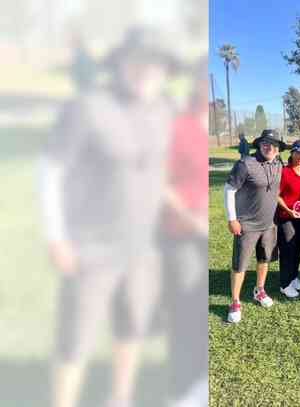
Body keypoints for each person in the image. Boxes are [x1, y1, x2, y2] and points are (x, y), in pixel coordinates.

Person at [42, 27, 174, 407]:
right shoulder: (88, 107)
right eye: (140, 61)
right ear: (121, 63)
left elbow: (155, 170)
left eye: (156, 63)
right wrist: (56, 235)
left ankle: (120, 397)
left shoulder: (162, 109)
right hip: (92, 244)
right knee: (76, 338)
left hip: (144, 245)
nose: (148, 70)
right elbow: (50, 170)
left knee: (131, 325)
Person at [161, 59, 210, 406]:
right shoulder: (177, 126)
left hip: (204, 232)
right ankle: (182, 390)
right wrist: (193, 220)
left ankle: (195, 381)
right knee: (184, 310)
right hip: (182, 232)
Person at [224, 129, 285, 322]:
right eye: (266, 143)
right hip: (247, 225)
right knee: (240, 264)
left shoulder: (278, 163)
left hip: (269, 223)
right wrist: (232, 218)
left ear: (278, 149)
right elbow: (229, 189)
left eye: (274, 144)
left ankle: (259, 290)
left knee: (264, 259)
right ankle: (234, 301)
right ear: (259, 144)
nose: (270, 147)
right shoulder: (245, 164)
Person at [276, 140, 300, 298]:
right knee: (287, 250)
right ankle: (284, 284)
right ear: (292, 153)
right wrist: (288, 210)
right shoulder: (284, 171)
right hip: (286, 217)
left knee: (298, 248)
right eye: (299, 152)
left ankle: (293, 276)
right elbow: (276, 195)